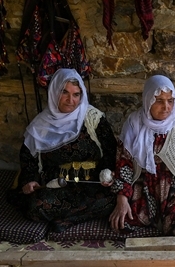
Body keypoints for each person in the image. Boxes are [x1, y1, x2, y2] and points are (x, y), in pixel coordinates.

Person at [110, 75, 175, 247]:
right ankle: (159, 222)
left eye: (170, 100)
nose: (166, 107)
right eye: (159, 100)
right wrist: (122, 201)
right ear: (148, 100)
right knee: (121, 224)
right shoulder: (133, 124)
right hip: (145, 192)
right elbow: (124, 163)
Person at [17, 68, 118, 231]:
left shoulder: (93, 118)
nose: (70, 100)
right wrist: (29, 181)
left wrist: (108, 173)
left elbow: (110, 150)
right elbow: (28, 159)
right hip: (57, 186)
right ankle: (78, 215)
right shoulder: (40, 125)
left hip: (92, 184)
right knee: (35, 206)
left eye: (76, 94)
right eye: (64, 92)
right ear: (54, 91)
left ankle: (70, 220)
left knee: (116, 197)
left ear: (82, 95)